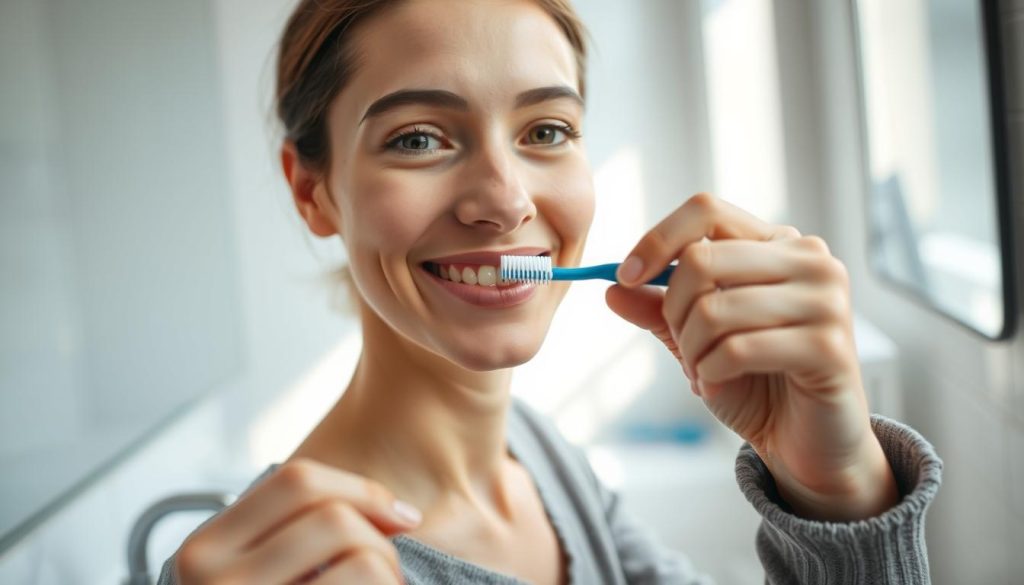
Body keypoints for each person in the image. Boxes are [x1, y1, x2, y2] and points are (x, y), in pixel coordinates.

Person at [159, 0, 943, 583]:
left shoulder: (539, 458)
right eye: (418, 138)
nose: (503, 201)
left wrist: (836, 486)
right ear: (312, 191)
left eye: (546, 131)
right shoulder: (276, 569)